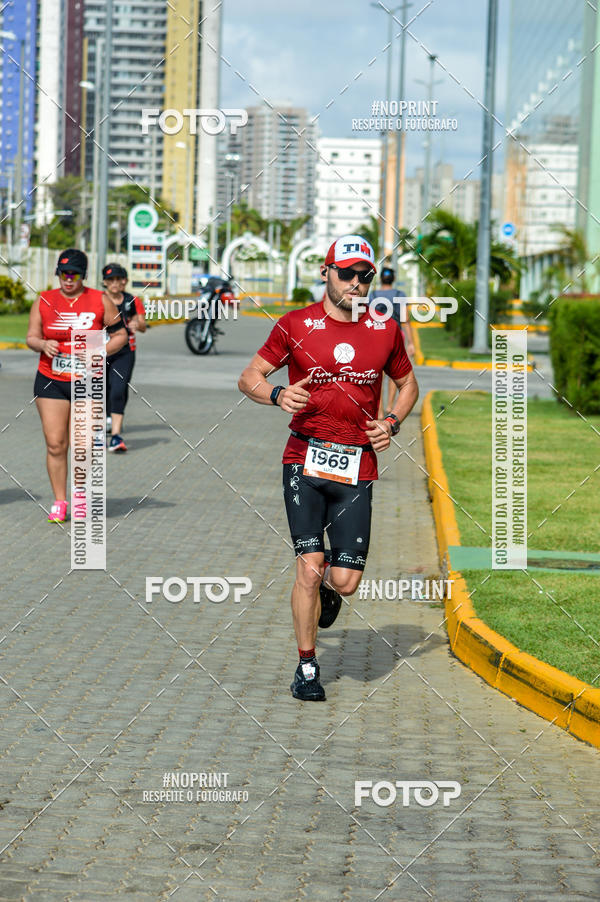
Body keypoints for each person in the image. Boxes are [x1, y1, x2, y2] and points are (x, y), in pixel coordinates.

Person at [238, 235, 419, 701]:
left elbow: (408, 385)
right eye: (347, 273)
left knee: (345, 580)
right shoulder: (295, 324)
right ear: (326, 273)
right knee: (308, 567)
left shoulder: (384, 329)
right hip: (304, 458)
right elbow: (249, 377)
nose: (357, 283)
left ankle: (330, 592)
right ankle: (307, 667)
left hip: (358, 464)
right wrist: (277, 394)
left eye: (365, 275)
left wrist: (393, 422)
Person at [26, 248, 128, 522]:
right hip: (51, 380)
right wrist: (42, 343)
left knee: (83, 445)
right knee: (56, 444)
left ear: (82, 275)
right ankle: (60, 501)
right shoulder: (44, 300)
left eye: (73, 274)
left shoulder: (99, 300)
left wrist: (100, 351)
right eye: (63, 273)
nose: (68, 279)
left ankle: (80, 495)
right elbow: (31, 337)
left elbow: (121, 336)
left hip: (88, 380)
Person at [102, 263, 146, 452]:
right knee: (103, 388)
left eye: (118, 279)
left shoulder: (132, 300)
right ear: (104, 282)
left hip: (125, 352)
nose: (114, 283)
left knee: (118, 389)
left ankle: (116, 436)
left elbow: (143, 325)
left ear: (125, 281)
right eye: (110, 280)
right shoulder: (98, 300)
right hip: (102, 350)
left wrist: (137, 324)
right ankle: (107, 419)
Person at [369, 265, 415, 415]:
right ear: (393, 279)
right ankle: (390, 407)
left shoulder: (373, 295)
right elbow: (405, 319)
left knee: (378, 376)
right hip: (396, 337)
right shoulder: (400, 294)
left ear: (381, 278)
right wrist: (411, 342)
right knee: (395, 373)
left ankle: (380, 411)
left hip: (376, 337)